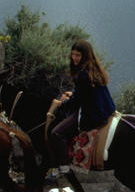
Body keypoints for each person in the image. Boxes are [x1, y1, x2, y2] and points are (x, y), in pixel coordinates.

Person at [48, 39, 116, 175]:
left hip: (92, 114)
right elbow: (84, 93)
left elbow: (78, 101)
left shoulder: (83, 75)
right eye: (73, 55)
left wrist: (63, 103)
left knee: (56, 133)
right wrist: (72, 93)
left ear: (84, 56)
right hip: (104, 109)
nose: (74, 58)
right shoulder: (94, 69)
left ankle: (64, 167)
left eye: (78, 55)